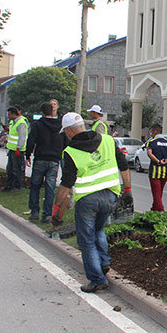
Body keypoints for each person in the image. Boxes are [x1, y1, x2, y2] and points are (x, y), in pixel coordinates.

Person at [53, 112, 133, 293]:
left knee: (86, 239)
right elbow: (124, 166)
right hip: (111, 197)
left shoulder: (71, 152)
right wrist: (127, 190)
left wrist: (57, 211)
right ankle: (104, 261)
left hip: (87, 201)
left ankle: (97, 279)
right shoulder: (108, 140)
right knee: (98, 229)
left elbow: (66, 187)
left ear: (68, 130)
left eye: (65, 132)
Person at [25, 102, 64, 223]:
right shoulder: (59, 125)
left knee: (35, 186)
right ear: (52, 111)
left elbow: (31, 140)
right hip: (54, 160)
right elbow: (65, 141)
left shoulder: (38, 125)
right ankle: (47, 214)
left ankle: (34, 211)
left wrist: (28, 155)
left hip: (40, 159)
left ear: (41, 112)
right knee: (50, 187)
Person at [2, 106, 29, 191]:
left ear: (14, 114)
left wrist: (18, 148)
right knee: (10, 169)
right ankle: (9, 185)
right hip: (12, 150)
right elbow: (13, 133)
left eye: (9, 114)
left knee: (16, 169)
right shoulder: (13, 122)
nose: (8, 116)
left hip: (18, 151)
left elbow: (22, 137)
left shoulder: (21, 123)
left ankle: (16, 186)